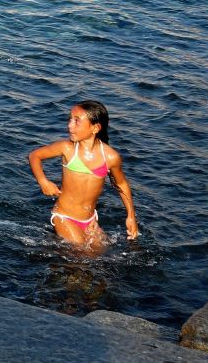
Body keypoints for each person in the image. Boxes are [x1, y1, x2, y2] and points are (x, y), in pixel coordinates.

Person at [28, 100, 138, 252]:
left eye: (77, 121)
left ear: (95, 128)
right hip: (64, 217)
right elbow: (35, 156)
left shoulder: (111, 157)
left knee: (101, 256)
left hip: (90, 220)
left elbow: (122, 184)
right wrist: (43, 181)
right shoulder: (67, 149)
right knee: (82, 255)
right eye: (70, 119)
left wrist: (131, 216)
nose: (69, 125)